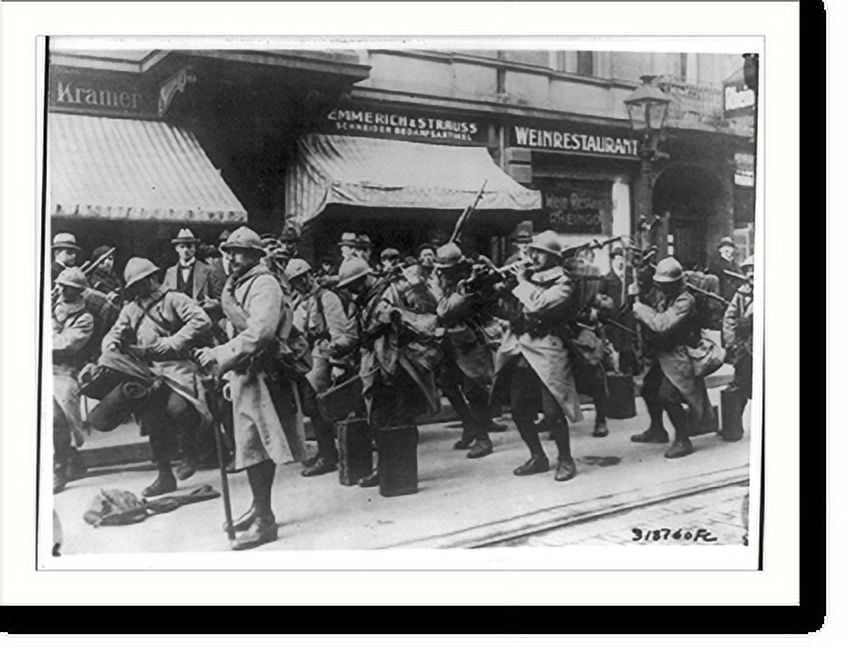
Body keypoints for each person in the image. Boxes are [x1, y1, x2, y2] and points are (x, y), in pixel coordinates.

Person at [196, 227, 310, 550]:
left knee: (256, 445)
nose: (232, 258)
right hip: (245, 373)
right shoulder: (238, 284)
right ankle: (258, 508)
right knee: (250, 444)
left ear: (256, 255)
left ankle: (265, 519)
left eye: (240, 252)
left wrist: (220, 354)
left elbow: (261, 332)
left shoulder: (264, 284)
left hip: (265, 373)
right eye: (229, 251)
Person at [102, 257, 213, 495]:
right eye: (134, 285)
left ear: (152, 277)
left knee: (179, 409)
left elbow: (202, 320)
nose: (138, 288)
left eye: (141, 282)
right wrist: (111, 345)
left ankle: (191, 450)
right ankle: (164, 476)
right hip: (149, 370)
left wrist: (174, 341)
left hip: (179, 366)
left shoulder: (174, 299)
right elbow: (114, 332)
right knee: (152, 419)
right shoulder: (131, 309)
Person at [332, 257, 441, 489]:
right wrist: (337, 348)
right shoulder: (362, 302)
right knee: (378, 418)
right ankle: (385, 468)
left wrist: (414, 293)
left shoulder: (397, 288)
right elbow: (354, 333)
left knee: (402, 418)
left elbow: (429, 311)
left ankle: (399, 471)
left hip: (403, 364)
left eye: (353, 285)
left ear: (364, 278)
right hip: (376, 365)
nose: (351, 290)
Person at [491, 230, 583, 482]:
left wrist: (520, 281)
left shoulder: (564, 282)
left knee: (553, 411)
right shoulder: (528, 277)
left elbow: (540, 304)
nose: (534, 257)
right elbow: (509, 309)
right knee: (518, 408)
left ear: (554, 257)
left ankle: (565, 459)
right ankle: (537, 456)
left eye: (541, 253)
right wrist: (498, 288)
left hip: (548, 348)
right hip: (520, 348)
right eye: (533, 252)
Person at [630, 256, 712, 459]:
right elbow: (650, 299)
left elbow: (662, 324)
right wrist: (640, 276)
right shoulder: (666, 295)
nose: (661, 288)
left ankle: (683, 439)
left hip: (680, 356)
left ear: (676, 283)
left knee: (668, 395)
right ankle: (657, 430)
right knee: (648, 389)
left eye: (665, 285)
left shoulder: (685, 300)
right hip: (663, 353)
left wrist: (641, 310)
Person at [286, 258, 358, 476]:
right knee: (312, 408)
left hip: (323, 358)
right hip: (305, 361)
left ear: (311, 275)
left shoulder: (327, 297)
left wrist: (338, 363)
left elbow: (340, 334)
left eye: (303, 277)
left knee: (321, 407)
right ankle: (326, 451)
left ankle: (329, 456)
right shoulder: (298, 301)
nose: (301, 283)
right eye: (296, 280)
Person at [433, 242, 496, 459]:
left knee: (473, 390)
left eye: (446, 269)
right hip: (449, 341)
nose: (442, 273)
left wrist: (436, 289)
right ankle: (469, 425)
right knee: (447, 384)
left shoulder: (471, 282)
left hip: (470, 341)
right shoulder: (449, 280)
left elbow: (445, 310)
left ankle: (483, 438)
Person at [52, 267, 94, 493]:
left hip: (66, 371)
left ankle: (60, 466)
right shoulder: (53, 306)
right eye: (60, 286)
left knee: (58, 416)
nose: (61, 290)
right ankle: (72, 460)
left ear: (78, 291)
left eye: (67, 288)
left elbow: (65, 345)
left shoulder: (84, 318)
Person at [721, 255, 754, 442]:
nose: (752, 274)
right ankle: (733, 427)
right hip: (746, 348)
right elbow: (729, 318)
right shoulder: (741, 293)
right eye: (748, 270)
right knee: (740, 386)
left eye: (755, 269)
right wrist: (731, 342)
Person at [164, 228, 223, 318]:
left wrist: (210, 304)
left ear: (195, 248)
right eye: (182, 247)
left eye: (189, 247)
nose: (185, 250)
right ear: (176, 249)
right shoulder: (170, 272)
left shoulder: (208, 270)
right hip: (176, 320)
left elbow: (220, 301)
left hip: (201, 319)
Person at [600, 247, 638, 374]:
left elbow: (634, 300)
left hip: (627, 317)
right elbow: (601, 299)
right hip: (614, 318)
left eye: (622, 258)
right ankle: (616, 372)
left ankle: (627, 374)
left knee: (627, 345)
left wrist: (633, 293)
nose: (620, 262)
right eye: (618, 258)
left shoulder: (630, 278)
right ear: (613, 260)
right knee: (615, 345)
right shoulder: (606, 279)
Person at [706, 236, 743, 301]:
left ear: (733, 250)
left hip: (735, 297)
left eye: (730, 247)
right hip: (721, 296)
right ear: (720, 250)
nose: (727, 249)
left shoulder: (736, 265)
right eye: (724, 247)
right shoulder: (715, 264)